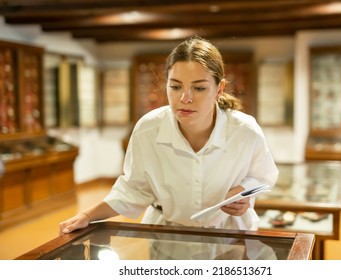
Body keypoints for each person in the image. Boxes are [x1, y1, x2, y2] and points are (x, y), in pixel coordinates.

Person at [59, 36, 279, 238]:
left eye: (199, 88)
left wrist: (243, 194)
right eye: (175, 86)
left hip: (229, 237)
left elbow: (263, 176)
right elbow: (133, 189)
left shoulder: (245, 131)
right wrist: (87, 215)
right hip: (168, 236)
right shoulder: (148, 129)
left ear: (219, 89)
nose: (185, 98)